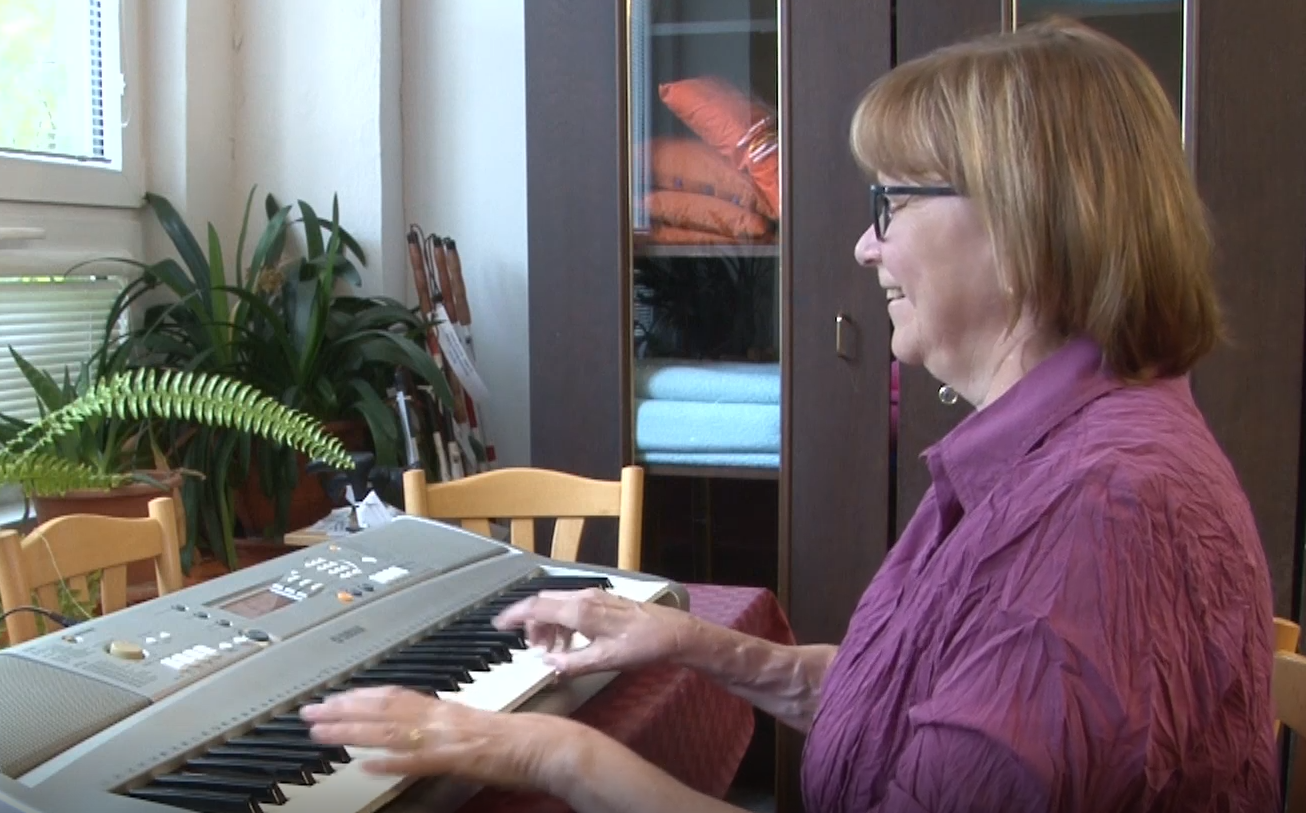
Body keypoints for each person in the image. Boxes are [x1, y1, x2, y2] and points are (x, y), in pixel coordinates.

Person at [299, 16, 1279, 812]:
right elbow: (904, 712)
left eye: (891, 203)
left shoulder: (1102, 511)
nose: (864, 246)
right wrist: (693, 644)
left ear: (1023, 224)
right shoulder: (1060, 457)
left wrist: (551, 754)